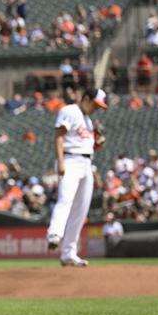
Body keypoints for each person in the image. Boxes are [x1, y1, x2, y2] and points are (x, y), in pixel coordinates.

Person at [45, 89, 107, 266]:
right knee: (66, 199)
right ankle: (54, 234)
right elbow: (59, 136)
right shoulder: (69, 111)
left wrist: (98, 143)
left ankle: (68, 253)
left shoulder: (88, 120)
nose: (96, 108)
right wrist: (61, 161)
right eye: (95, 104)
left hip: (86, 163)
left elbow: (89, 148)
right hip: (70, 159)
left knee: (81, 209)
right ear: (86, 98)